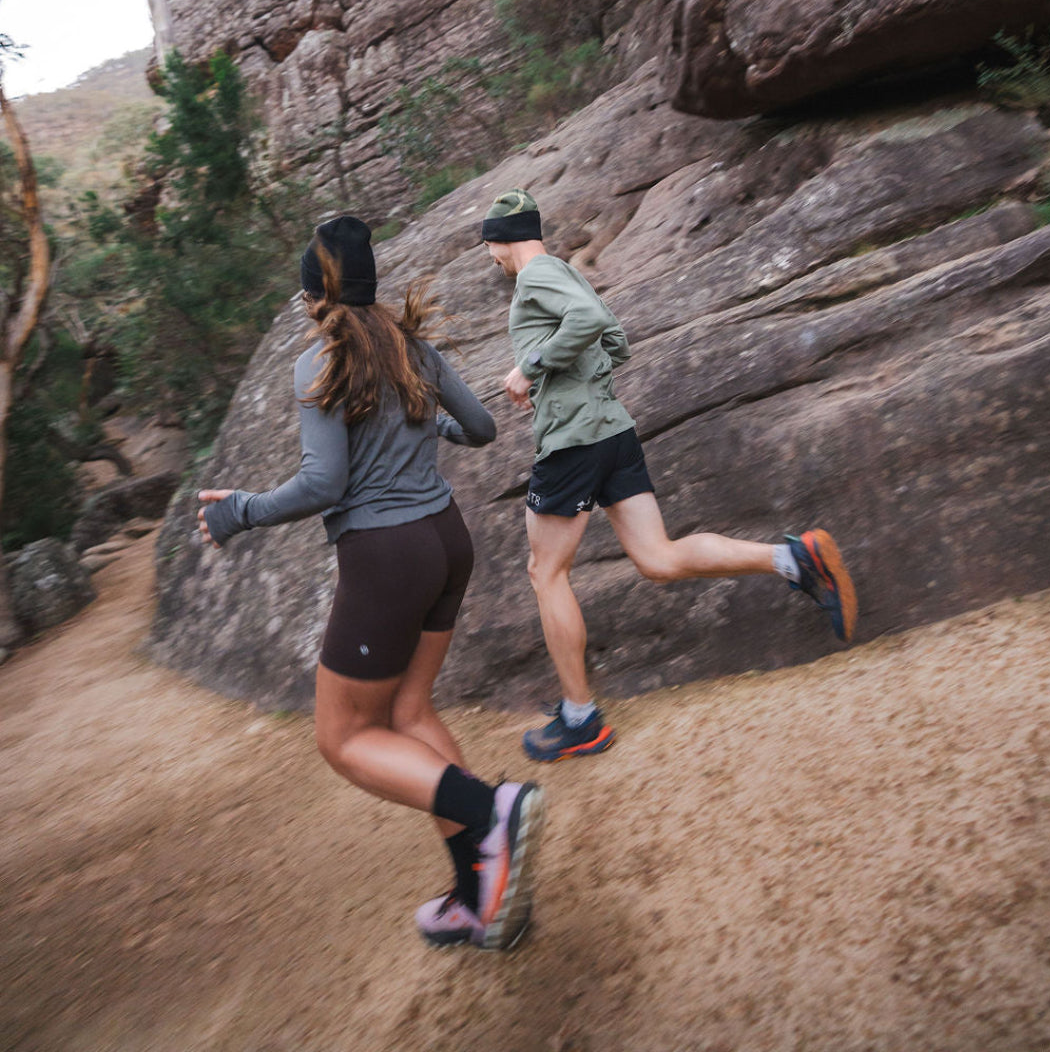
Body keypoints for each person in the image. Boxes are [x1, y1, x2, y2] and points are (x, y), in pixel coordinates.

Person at [197, 215, 544, 950]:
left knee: (345, 737)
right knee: (410, 710)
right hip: (447, 540)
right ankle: (481, 890)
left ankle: (492, 809)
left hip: (387, 557)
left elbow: (324, 483)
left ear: (311, 295)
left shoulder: (320, 363)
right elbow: (480, 428)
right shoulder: (411, 345)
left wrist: (239, 512)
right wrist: (428, 429)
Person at [480, 188, 858, 763]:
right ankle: (794, 559)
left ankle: (580, 720)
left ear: (499, 241)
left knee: (545, 572)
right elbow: (614, 340)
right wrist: (567, 382)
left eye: (488, 247)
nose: (491, 257)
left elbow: (588, 322)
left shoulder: (535, 276)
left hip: (574, 444)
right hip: (612, 433)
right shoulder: (563, 271)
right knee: (657, 558)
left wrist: (530, 368)